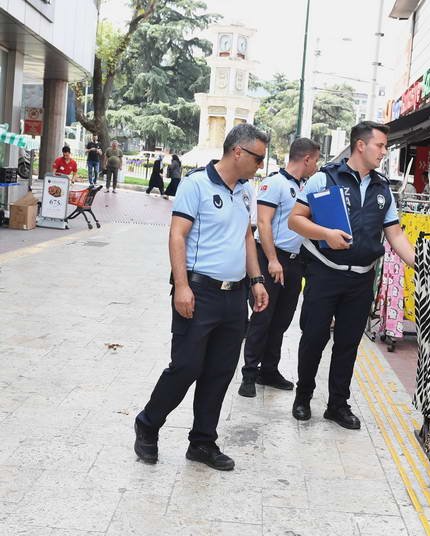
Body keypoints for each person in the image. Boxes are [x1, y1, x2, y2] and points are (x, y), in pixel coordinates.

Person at [133, 123, 270, 471]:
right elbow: (178, 235)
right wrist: (182, 285)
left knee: (220, 371)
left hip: (234, 297)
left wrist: (256, 280)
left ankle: (202, 443)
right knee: (186, 366)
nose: (260, 165)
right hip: (199, 292)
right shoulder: (196, 184)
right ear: (237, 151)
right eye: (258, 158)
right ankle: (148, 423)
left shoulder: (245, 191)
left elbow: (245, 238)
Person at [288, 121, 415, 430]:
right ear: (361, 145)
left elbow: (395, 235)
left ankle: (337, 405)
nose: (384, 152)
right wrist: (325, 234)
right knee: (314, 338)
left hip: (361, 280)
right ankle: (303, 396)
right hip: (324, 275)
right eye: (381, 146)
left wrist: (421, 263)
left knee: (348, 344)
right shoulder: (324, 178)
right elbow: (295, 220)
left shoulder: (383, 188)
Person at [238, 138, 321, 398]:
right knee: (262, 318)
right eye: (316, 160)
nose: (317, 166)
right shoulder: (274, 183)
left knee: (282, 320)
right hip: (271, 259)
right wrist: (273, 260)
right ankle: (249, 373)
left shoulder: (304, 187)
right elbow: (263, 223)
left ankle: (269, 370)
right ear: (306, 159)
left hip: (295, 263)